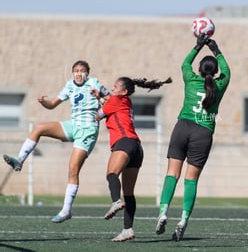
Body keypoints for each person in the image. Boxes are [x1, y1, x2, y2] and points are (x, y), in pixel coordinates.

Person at [3, 60, 110, 223]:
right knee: (39, 128)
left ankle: (66, 210)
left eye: (82, 71)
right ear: (72, 73)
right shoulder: (69, 86)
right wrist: (43, 102)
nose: (79, 73)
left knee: (73, 169)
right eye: (76, 70)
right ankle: (19, 161)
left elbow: (111, 102)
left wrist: (100, 97)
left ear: (87, 73)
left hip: (88, 130)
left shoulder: (94, 83)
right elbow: (52, 104)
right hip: (73, 125)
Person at [155, 35, 231, 242]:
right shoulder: (219, 85)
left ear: (199, 69)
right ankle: (183, 219)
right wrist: (216, 49)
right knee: (191, 179)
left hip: (183, 127)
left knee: (172, 173)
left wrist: (198, 45)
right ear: (215, 72)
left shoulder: (190, 78)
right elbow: (228, 71)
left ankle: (163, 212)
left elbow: (184, 63)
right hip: (203, 133)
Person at [94, 76, 171, 242]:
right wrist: (100, 97)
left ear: (124, 91)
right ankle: (127, 229)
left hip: (124, 142)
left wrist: (96, 102)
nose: (112, 89)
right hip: (136, 147)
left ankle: (115, 201)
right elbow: (109, 102)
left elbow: (98, 116)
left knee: (111, 174)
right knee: (129, 192)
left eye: (115, 87)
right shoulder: (125, 101)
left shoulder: (116, 100)